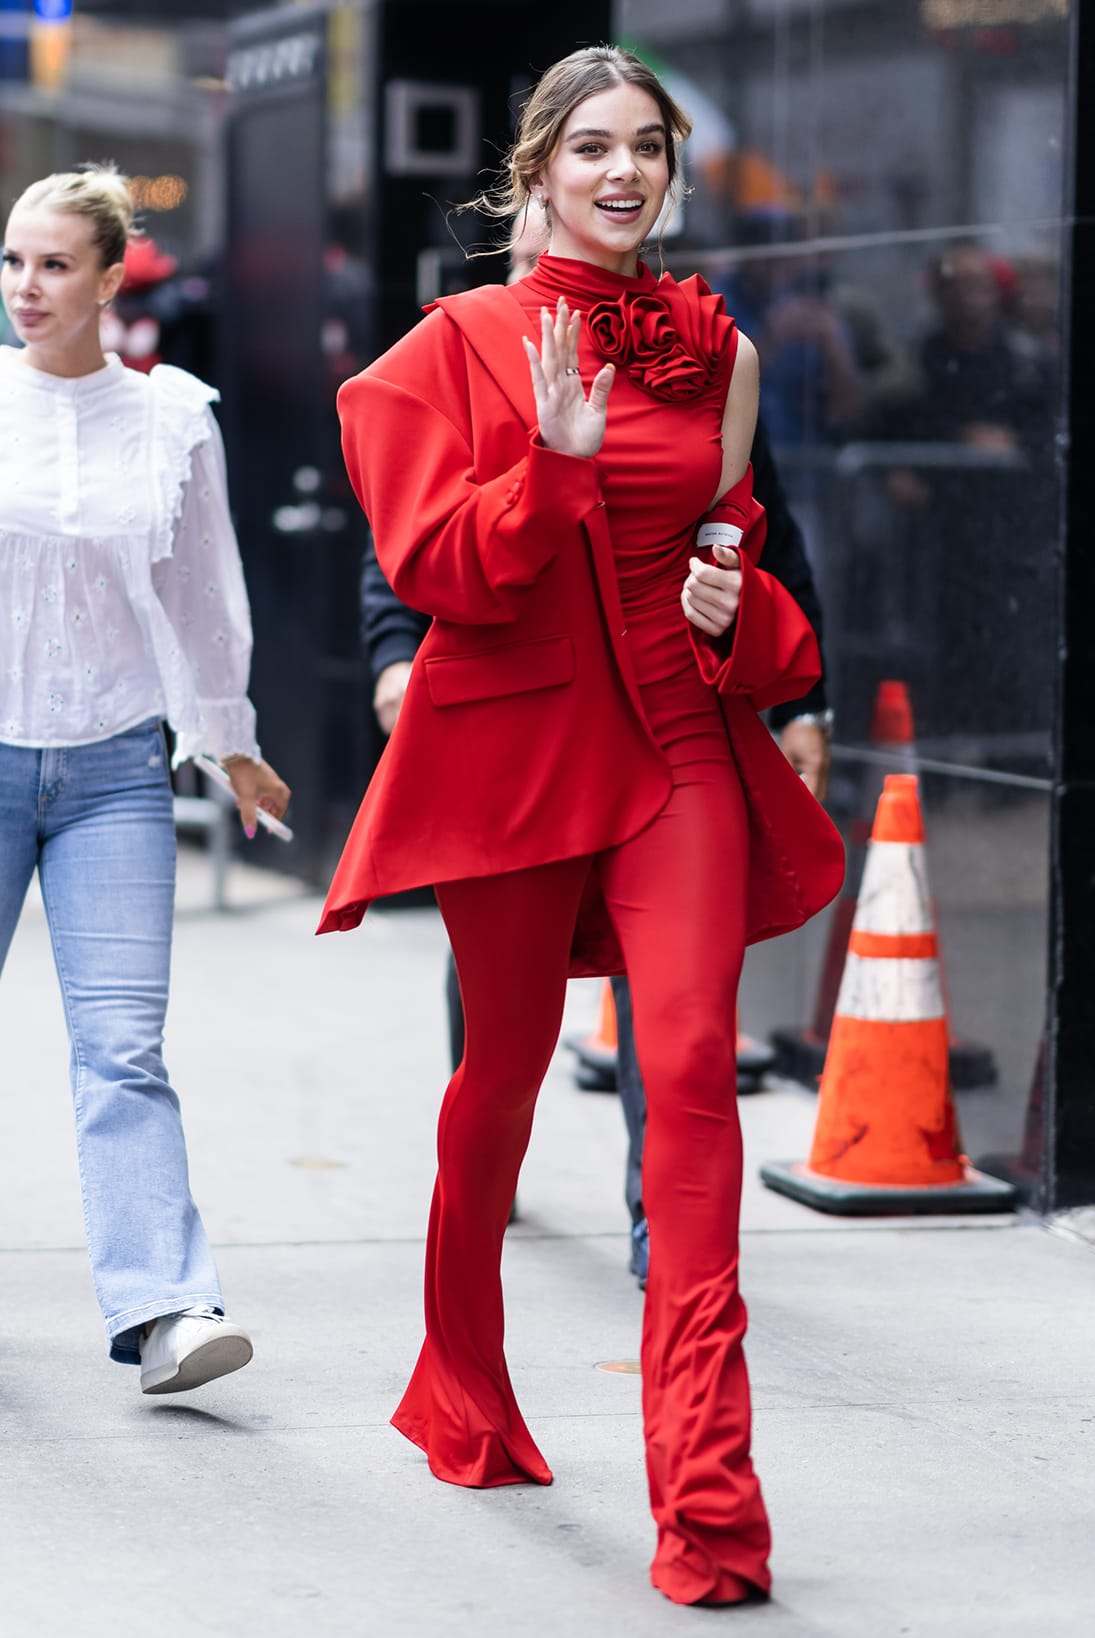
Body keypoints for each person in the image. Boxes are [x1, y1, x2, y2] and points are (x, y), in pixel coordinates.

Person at [320, 47, 843, 1606]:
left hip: (678, 747)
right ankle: (460, 1376)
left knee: (688, 1079)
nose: (627, 171)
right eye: (596, 146)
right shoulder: (451, 349)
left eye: (651, 147)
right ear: (538, 171)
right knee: (501, 1075)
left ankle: (708, 1503)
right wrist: (549, 466)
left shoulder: (718, 353)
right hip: (515, 753)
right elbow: (443, 574)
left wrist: (731, 609)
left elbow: (748, 582)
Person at [0, 165, 290, 1392]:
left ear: (115, 279)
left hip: (118, 767)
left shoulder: (172, 417)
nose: (26, 287)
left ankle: (167, 1310)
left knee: (122, 1047)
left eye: (56, 264)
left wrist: (228, 742)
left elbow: (202, 598)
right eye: (13, 261)